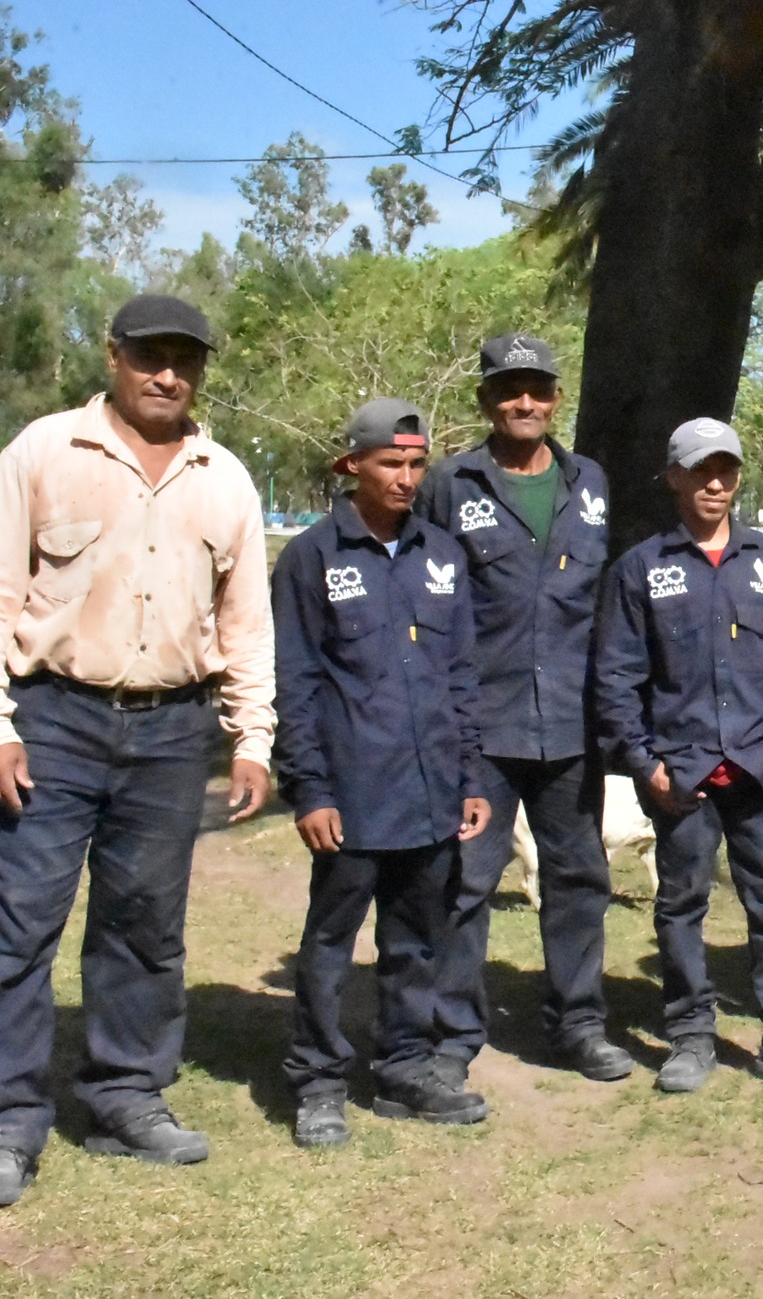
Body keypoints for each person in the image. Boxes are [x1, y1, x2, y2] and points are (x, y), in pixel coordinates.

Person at [0, 296, 273, 1205]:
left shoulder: (224, 478)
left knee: (146, 927)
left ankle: (126, 1096)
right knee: (18, 923)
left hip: (171, 732)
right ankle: (9, 1119)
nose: (169, 375)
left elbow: (246, 624)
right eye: (151, 356)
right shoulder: (42, 453)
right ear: (114, 356)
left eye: (185, 360)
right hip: (52, 721)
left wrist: (252, 737)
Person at [593, 419, 763, 1093]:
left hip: (760, 767)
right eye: (702, 470)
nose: (716, 482)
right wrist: (645, 762)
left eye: (728, 470)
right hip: (680, 774)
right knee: (681, 904)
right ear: (675, 476)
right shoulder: (641, 570)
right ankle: (689, 1035)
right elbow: (615, 679)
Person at [273, 399, 494, 1149]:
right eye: (389, 463)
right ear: (353, 466)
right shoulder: (313, 557)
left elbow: (462, 674)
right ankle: (318, 1079)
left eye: (414, 464)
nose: (404, 478)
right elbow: (294, 681)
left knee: (417, 940)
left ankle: (403, 1066)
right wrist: (310, 787)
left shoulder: (443, 553)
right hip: (352, 792)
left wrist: (470, 774)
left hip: (432, 788)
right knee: (331, 941)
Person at [418, 334, 631, 1088]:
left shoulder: (590, 481)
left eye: (538, 387)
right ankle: (451, 1035)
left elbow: (609, 600)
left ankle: (577, 1023)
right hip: (479, 721)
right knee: (465, 882)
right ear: (486, 399)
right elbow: (426, 597)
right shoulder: (450, 483)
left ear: (555, 397)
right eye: (510, 388)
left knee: (578, 877)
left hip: (572, 721)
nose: (525, 401)